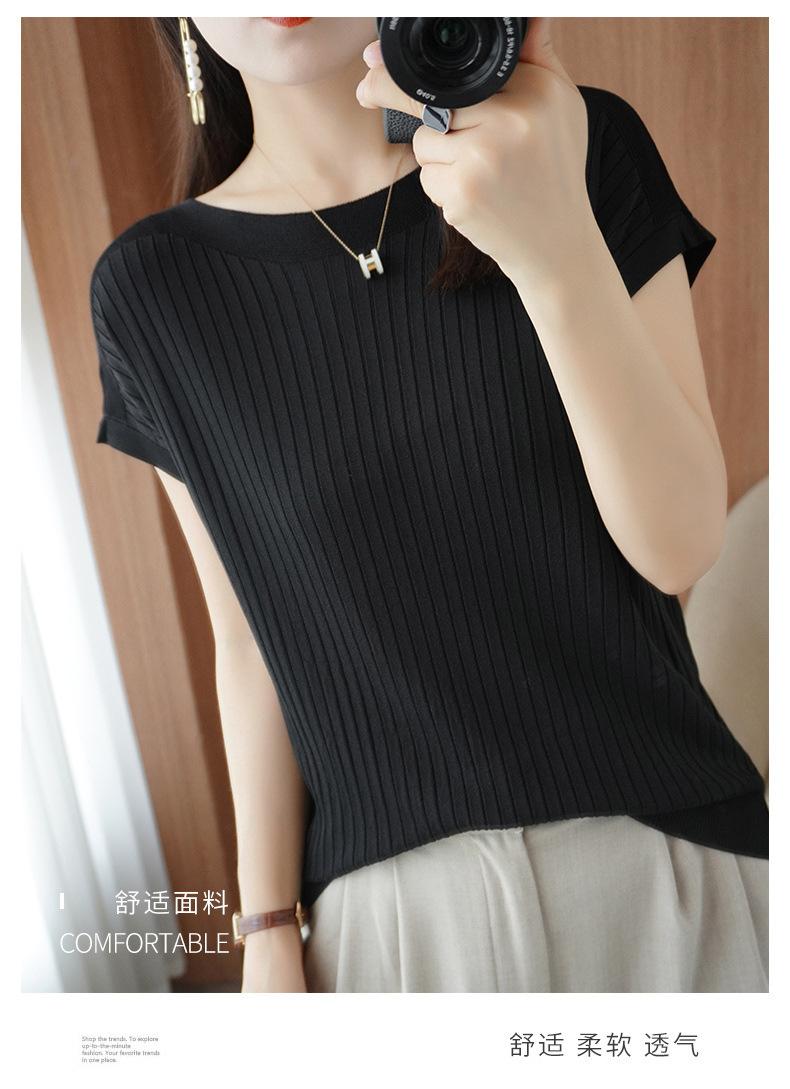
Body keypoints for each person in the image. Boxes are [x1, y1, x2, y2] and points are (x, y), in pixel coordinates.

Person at [89, 16, 768, 993]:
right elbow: (246, 636)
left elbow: (680, 545)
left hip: (668, 865)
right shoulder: (154, 290)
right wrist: (267, 932)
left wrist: (553, 244)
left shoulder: (577, 144)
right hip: (395, 932)